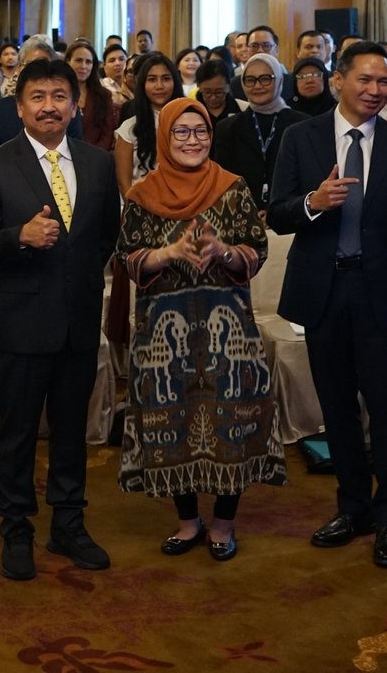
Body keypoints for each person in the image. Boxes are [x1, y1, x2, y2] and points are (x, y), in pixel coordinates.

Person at [268, 43, 387, 569]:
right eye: (365, 80)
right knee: (335, 410)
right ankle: (353, 508)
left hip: (381, 297)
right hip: (324, 293)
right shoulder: (302, 136)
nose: (375, 91)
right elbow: (278, 214)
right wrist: (313, 204)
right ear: (338, 80)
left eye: (384, 82)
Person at [0, 59, 120, 581]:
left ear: (75, 106)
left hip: (78, 322)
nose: (49, 106)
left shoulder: (99, 164)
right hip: (22, 324)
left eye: (59, 96)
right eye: (38, 97)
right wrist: (19, 239)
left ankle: (69, 524)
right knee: (18, 433)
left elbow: (104, 240)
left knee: (72, 431)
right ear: (19, 107)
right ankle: (16, 528)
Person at [118, 97, 282, 560]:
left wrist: (225, 252)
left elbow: (256, 249)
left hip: (227, 332)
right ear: (165, 138)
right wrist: (166, 255)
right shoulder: (142, 193)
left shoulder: (232, 187)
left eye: (201, 131)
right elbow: (127, 257)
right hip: (162, 339)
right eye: (181, 132)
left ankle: (224, 523)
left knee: (233, 423)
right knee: (172, 424)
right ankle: (188, 521)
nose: (193, 140)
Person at [212, 53, 310, 207]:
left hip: (289, 215)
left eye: (265, 79)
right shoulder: (227, 128)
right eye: (250, 80)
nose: (257, 86)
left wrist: (276, 212)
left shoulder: (302, 124)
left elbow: (306, 178)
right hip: (242, 216)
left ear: (278, 80)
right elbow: (224, 182)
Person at [0, 35, 85, 151]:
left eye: (44, 65)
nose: (38, 72)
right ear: (19, 69)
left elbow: (77, 150)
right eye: (31, 66)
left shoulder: (66, 108)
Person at [114, 52, 180, 194]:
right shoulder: (129, 128)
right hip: (142, 204)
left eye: (166, 79)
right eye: (152, 80)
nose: (159, 86)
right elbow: (124, 183)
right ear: (142, 84)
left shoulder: (189, 121)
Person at [65, 40, 118, 151]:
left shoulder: (104, 96)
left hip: (97, 158)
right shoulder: (58, 95)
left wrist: (92, 157)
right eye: (79, 60)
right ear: (68, 62)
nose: (83, 66)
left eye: (88, 62)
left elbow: (107, 134)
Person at [193, 58, 239, 123]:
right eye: (208, 92)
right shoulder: (191, 110)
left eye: (219, 92)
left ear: (228, 86)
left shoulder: (241, 109)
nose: (213, 97)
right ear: (198, 86)